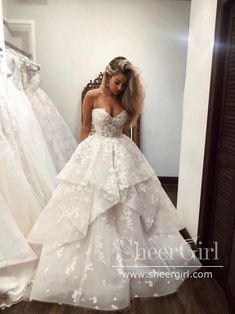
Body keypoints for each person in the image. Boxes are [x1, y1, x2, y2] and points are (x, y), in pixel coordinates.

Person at [27, 56, 202, 311]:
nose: (119, 88)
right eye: (117, 82)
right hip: (94, 152)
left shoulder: (126, 100)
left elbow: (125, 130)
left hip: (122, 156)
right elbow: (86, 128)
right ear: (108, 75)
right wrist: (82, 160)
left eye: (124, 85)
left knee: (129, 206)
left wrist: (125, 98)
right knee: (91, 209)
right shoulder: (91, 96)